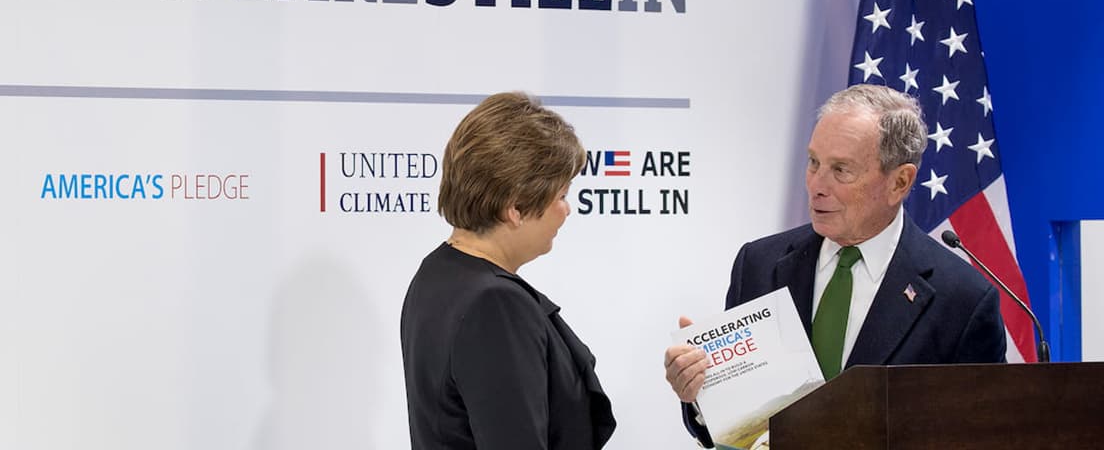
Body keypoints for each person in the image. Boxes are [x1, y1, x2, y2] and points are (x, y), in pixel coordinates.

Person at [663, 84, 1006, 445]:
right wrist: (702, 393)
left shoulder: (962, 301)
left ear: (900, 182)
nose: (817, 186)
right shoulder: (759, 265)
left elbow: (982, 436)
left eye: (841, 170)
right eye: (814, 162)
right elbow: (736, 429)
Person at [401, 92, 616, 450]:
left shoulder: (436, 272)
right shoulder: (495, 305)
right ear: (515, 206)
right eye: (561, 195)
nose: (567, 210)